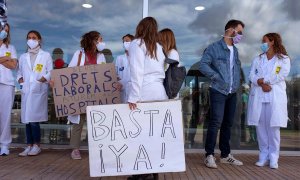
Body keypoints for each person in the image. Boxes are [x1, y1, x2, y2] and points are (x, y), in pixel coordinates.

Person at [199, 19, 245, 168]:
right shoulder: (214, 48)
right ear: (231, 30)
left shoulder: (235, 50)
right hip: (218, 90)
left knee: (228, 124)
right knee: (216, 122)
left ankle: (225, 155)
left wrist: (237, 84)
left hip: (232, 91)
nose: (241, 36)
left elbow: (235, 70)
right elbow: (203, 65)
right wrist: (216, 77)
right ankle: (209, 155)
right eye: (240, 32)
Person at [127, 16, 167, 180]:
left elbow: (137, 72)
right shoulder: (158, 46)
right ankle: (154, 171)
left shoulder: (137, 44)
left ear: (140, 28)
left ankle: (140, 173)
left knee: (141, 134)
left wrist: (133, 97)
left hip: (144, 91)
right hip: (159, 92)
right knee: (154, 134)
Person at [247, 33, 290, 169]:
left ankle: (273, 158)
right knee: (261, 129)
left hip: (274, 97)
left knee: (273, 129)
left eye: (264, 41)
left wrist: (263, 81)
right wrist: (259, 82)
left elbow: (282, 74)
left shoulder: (283, 59)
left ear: (272, 42)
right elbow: (251, 75)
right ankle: (263, 156)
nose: (263, 43)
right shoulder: (258, 59)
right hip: (260, 96)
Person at [67, 31, 106, 160]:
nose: (101, 42)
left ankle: (95, 149)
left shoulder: (101, 56)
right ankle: (75, 149)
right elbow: (69, 72)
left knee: (95, 123)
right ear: (93, 40)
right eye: (100, 39)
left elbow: (105, 74)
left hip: (96, 95)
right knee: (79, 123)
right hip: (81, 95)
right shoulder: (79, 54)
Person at [17, 30, 53, 156]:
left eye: (34, 37)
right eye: (29, 38)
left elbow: (50, 71)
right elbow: (19, 73)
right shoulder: (23, 57)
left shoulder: (46, 55)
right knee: (27, 120)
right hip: (27, 91)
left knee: (34, 120)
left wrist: (41, 80)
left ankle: (36, 145)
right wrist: (21, 81)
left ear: (39, 40)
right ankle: (29, 146)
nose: (31, 40)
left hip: (38, 90)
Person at [0, 23, 18, 156]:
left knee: (5, 116)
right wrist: (6, 58)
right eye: (3, 29)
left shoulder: (10, 47)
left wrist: (5, 59)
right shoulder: (8, 52)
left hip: (7, 84)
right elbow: (9, 61)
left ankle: (5, 145)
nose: (5, 32)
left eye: (7, 30)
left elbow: (13, 65)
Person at [114, 34, 134, 103]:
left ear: (133, 42)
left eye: (127, 41)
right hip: (122, 92)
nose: (125, 43)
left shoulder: (138, 57)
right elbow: (115, 75)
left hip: (134, 92)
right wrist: (117, 82)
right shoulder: (119, 58)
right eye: (123, 42)